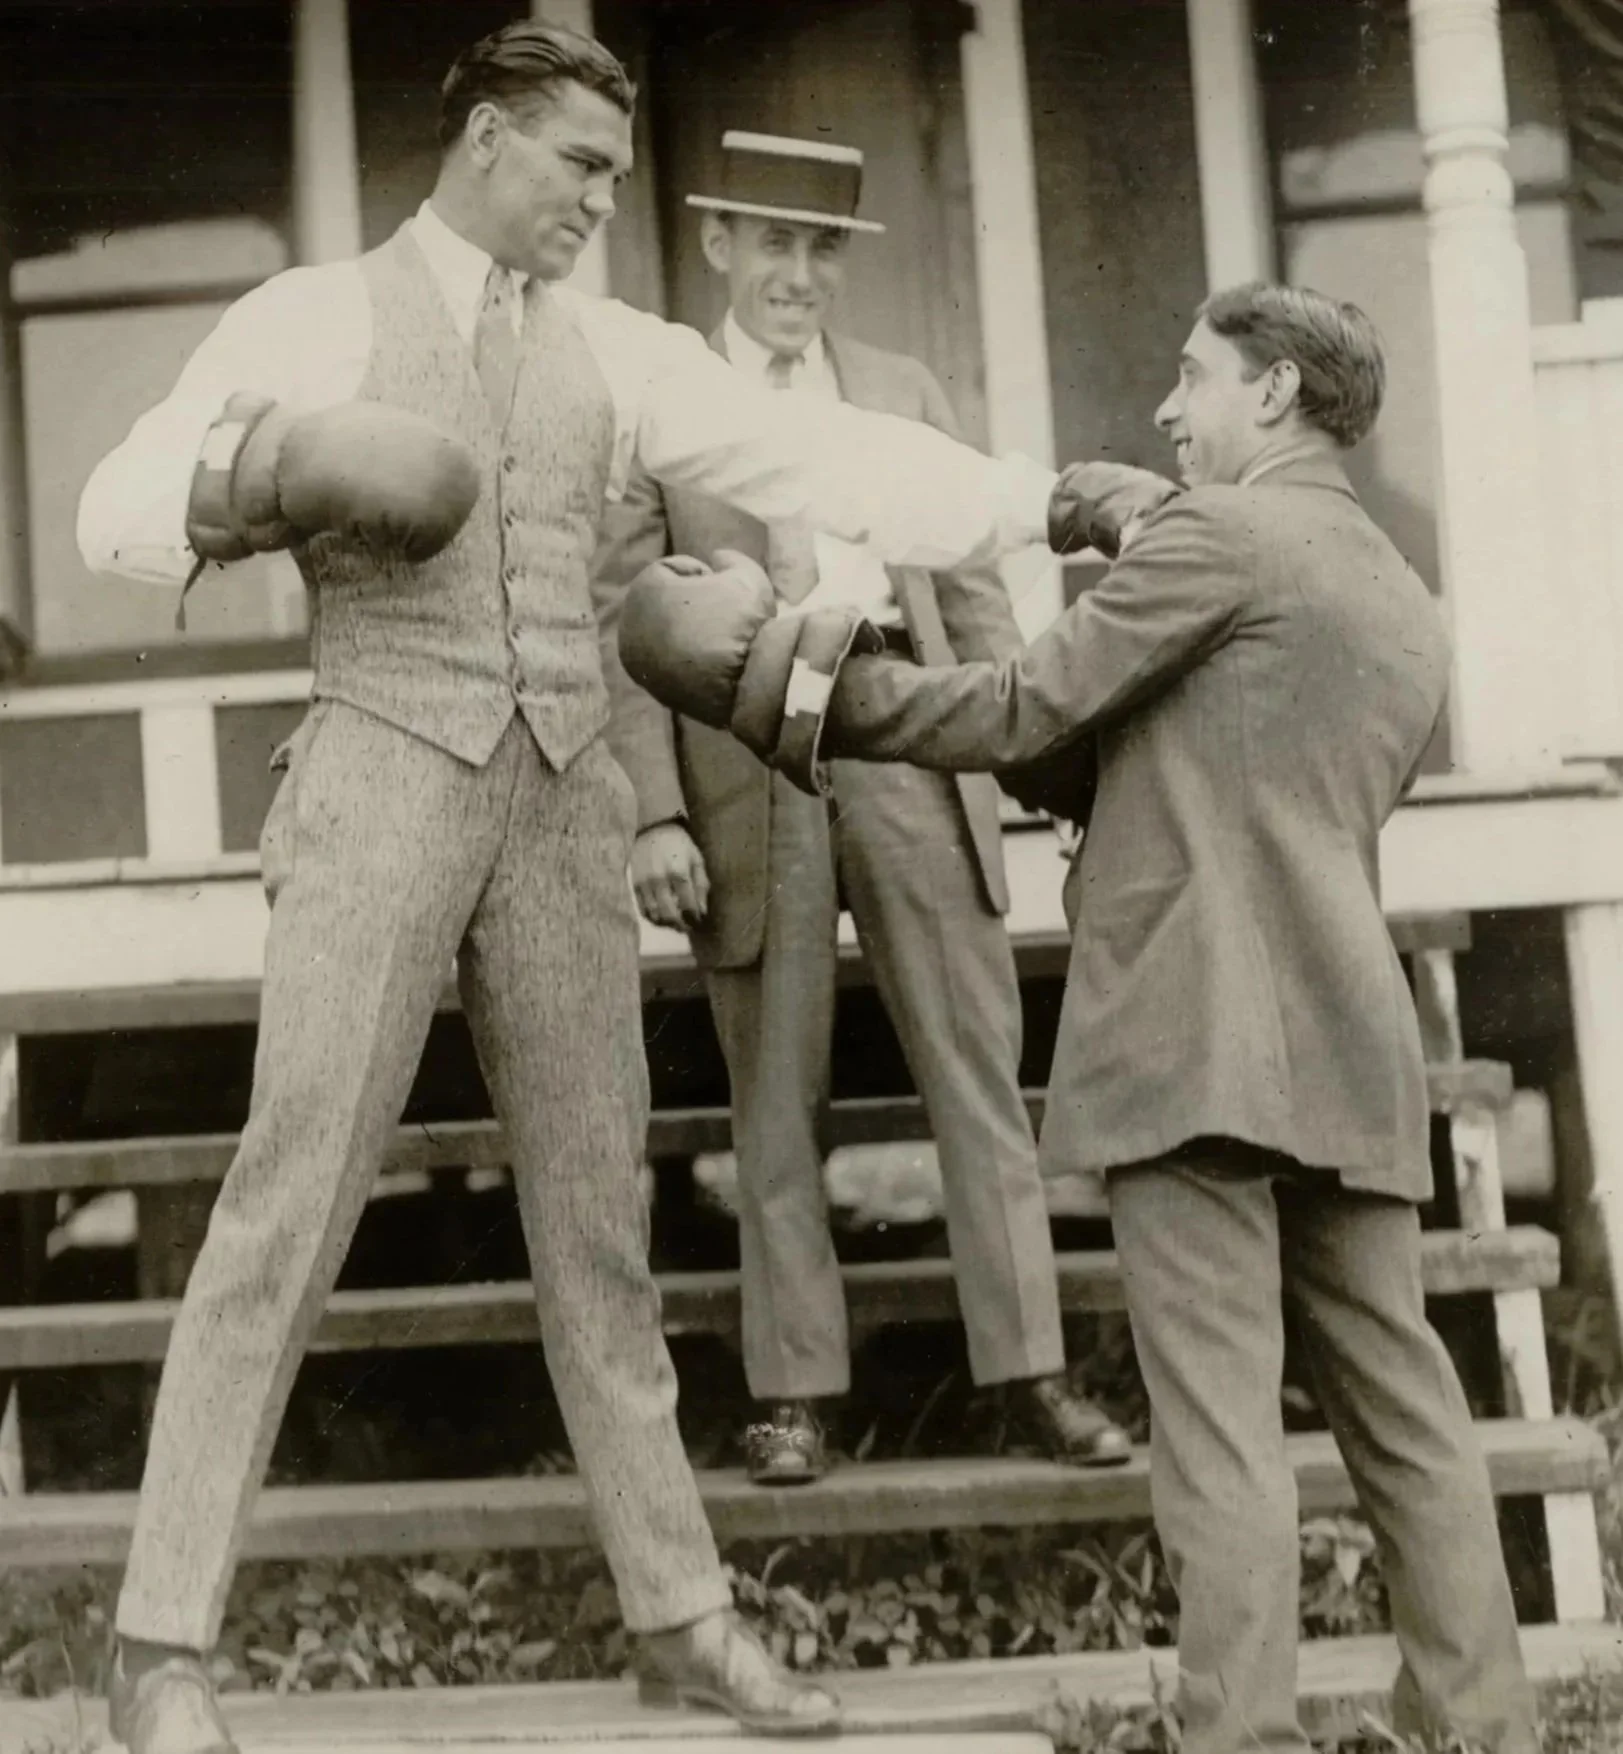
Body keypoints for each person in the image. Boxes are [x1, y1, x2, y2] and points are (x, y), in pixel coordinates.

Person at [73, 22, 1163, 1754]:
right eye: (578, 162)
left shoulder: (622, 348)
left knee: (602, 1224)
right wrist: (257, 472)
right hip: (374, 767)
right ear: (490, 143)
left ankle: (679, 1613)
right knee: (288, 1195)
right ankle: (158, 1647)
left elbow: (829, 463)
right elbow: (110, 501)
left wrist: (1040, 498)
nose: (601, 195)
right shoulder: (315, 312)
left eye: (609, 166)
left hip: (568, 799)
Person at [620, 281, 1540, 1754]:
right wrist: (1112, 515)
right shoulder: (1394, 591)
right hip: (1349, 1038)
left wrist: (793, 689)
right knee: (1407, 1409)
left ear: (1277, 396)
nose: (1168, 410)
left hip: (1192, 1036)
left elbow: (1021, 711)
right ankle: (1485, 1725)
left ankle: (1241, 1734)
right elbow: (1174, 772)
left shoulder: (1214, 535)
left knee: (1218, 1424)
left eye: (1192, 380)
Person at [592, 129, 1129, 1487]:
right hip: (742, 754)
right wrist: (652, 812)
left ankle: (1028, 1371)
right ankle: (794, 1392)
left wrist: (1031, 742)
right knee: (773, 1089)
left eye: (821, 247)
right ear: (715, 243)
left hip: (907, 731)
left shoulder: (900, 390)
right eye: (771, 241)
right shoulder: (664, 402)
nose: (796, 273)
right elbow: (620, 620)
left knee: (974, 1067)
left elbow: (976, 574)